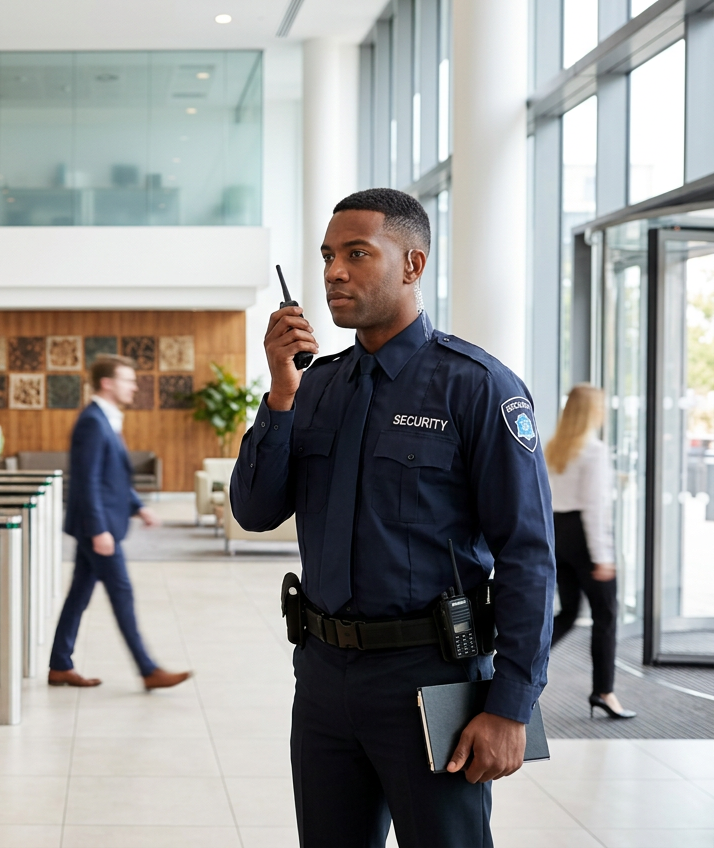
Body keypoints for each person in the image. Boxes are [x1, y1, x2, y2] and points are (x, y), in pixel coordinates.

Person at [231, 188, 556, 847]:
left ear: (412, 265)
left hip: (430, 680)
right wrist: (280, 393)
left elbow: (527, 553)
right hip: (323, 679)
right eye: (327, 257)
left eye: (357, 254)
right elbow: (256, 510)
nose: (333, 273)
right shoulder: (316, 385)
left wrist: (511, 707)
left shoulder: (477, 386)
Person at [47, 355, 191, 691]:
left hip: (101, 526)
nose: (134, 386)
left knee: (78, 595)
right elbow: (86, 481)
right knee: (121, 593)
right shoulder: (92, 422)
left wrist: (139, 507)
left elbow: (113, 476)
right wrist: (99, 530)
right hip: (98, 529)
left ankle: (59, 665)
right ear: (107, 383)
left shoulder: (106, 419)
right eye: (128, 380)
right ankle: (148, 669)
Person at [546, 384, 634, 720]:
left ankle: (516, 666)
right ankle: (604, 691)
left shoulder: (553, 449)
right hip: (584, 540)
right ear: (591, 412)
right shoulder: (594, 451)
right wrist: (603, 557)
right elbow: (595, 509)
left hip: (557, 535)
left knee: (568, 614)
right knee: (606, 615)